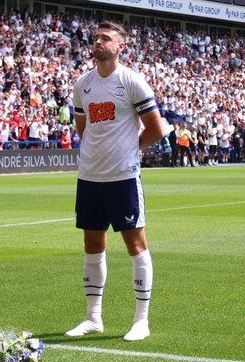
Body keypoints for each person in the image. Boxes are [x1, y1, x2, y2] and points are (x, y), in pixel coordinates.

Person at [64, 21, 164, 343]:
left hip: (123, 176)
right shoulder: (82, 84)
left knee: (135, 245)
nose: (99, 41)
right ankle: (93, 317)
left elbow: (156, 129)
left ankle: (141, 320)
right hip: (90, 176)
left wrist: (131, 149)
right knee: (93, 244)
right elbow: (84, 128)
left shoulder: (131, 81)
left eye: (106, 38)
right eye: (96, 37)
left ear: (120, 46)